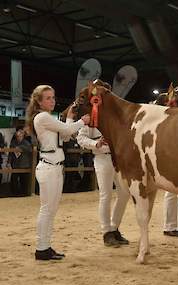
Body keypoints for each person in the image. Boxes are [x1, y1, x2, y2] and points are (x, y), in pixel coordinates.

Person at [26, 84, 90, 261]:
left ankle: (45, 247)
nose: (52, 101)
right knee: (47, 210)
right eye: (48, 98)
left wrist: (69, 119)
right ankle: (41, 248)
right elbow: (69, 131)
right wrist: (81, 121)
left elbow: (65, 136)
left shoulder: (48, 118)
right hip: (48, 167)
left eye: (53, 97)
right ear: (39, 101)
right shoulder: (42, 117)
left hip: (54, 167)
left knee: (51, 210)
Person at [77, 125, 130, 247]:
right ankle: (106, 232)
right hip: (102, 158)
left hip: (118, 158)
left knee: (124, 193)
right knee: (106, 195)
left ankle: (114, 227)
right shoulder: (92, 121)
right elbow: (80, 138)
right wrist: (95, 143)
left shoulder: (114, 117)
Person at [8, 128, 32, 196]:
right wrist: (9, 162)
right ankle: (14, 193)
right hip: (15, 164)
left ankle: (24, 194)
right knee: (14, 180)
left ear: (23, 136)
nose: (19, 138)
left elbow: (29, 149)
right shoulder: (13, 143)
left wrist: (20, 147)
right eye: (17, 136)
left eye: (20, 136)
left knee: (24, 181)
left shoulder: (26, 143)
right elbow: (10, 154)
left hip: (24, 165)